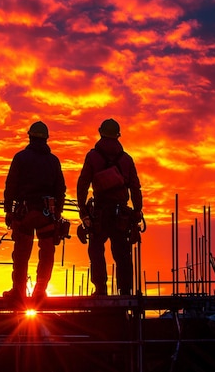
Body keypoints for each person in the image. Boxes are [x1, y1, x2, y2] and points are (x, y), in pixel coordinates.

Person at [76, 118, 143, 296]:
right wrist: (137, 211)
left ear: (101, 133)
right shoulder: (126, 160)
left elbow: (82, 184)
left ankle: (100, 289)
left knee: (96, 250)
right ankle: (125, 290)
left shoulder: (93, 157)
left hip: (99, 213)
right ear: (117, 136)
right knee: (122, 253)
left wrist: (82, 210)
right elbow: (135, 187)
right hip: (120, 214)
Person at [3, 121, 66, 304]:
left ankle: (18, 291)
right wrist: (57, 213)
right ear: (46, 139)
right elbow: (60, 189)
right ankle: (40, 291)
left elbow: (11, 185)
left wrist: (8, 210)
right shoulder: (53, 161)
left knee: (21, 254)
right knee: (46, 253)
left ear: (29, 136)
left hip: (25, 213)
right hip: (47, 214)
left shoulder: (21, 158)